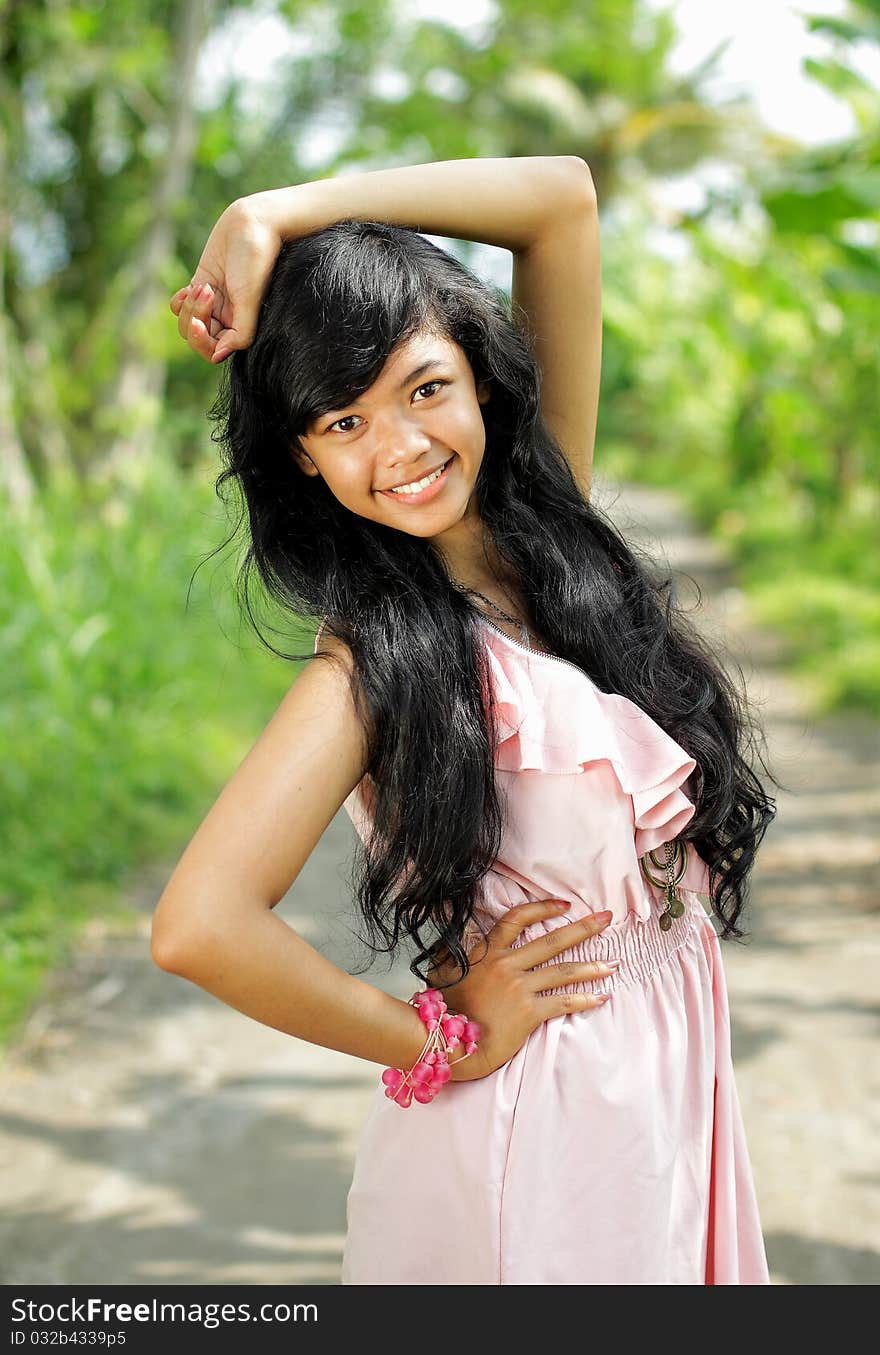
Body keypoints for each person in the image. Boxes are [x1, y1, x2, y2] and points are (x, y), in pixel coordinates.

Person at [153, 155, 777, 1285]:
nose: (401, 447)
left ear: (479, 379)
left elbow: (560, 202)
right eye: (344, 418)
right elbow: (199, 924)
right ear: (301, 453)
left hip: (657, 1097)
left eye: (423, 386)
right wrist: (440, 1037)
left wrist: (274, 212)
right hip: (539, 1127)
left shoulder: (557, 533)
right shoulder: (371, 665)